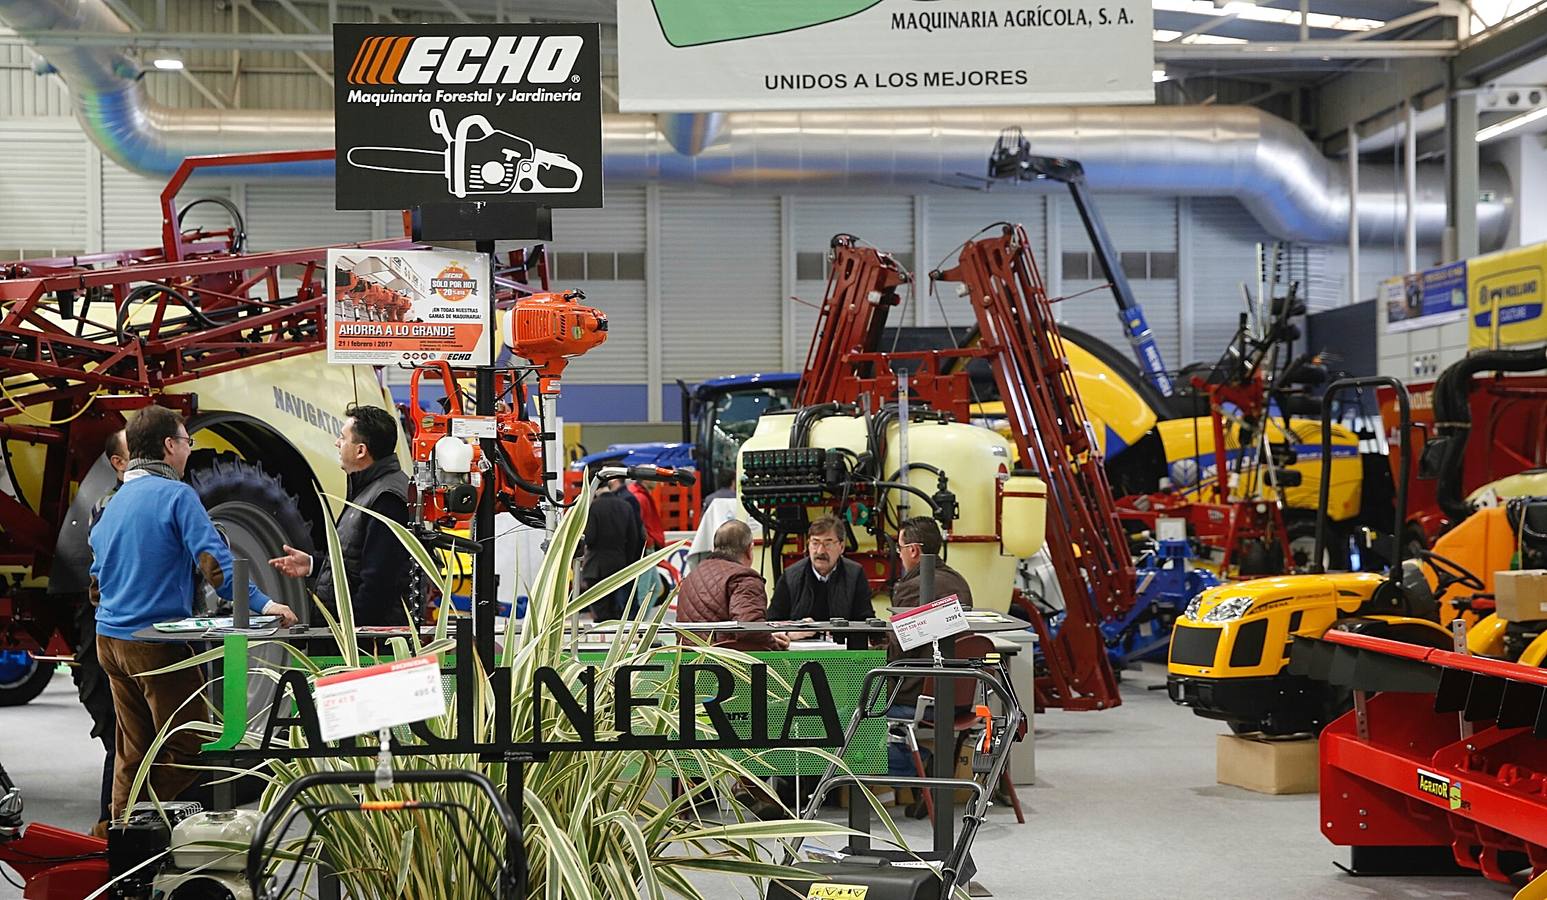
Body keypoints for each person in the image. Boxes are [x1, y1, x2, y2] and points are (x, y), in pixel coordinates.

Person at [90, 406, 297, 819]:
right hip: (154, 645)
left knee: (134, 750)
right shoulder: (177, 495)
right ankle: (141, 816)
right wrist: (265, 603)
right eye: (188, 442)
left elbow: (96, 579)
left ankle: (121, 843)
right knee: (192, 740)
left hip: (108, 641)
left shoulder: (115, 500)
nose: (189, 451)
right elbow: (215, 564)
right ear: (169, 446)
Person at [269, 404, 411, 625]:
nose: (337, 443)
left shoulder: (386, 499)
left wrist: (350, 638)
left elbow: (379, 581)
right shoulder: (369, 490)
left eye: (342, 438)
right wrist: (314, 565)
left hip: (361, 648)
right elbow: (358, 563)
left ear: (361, 450)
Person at [884, 516, 973, 784]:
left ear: (913, 550)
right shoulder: (959, 582)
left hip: (918, 699)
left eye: (899, 549)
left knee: (848, 714)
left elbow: (899, 649)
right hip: (959, 698)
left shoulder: (915, 586)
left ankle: (917, 762)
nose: (899, 556)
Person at [74, 428, 127, 833]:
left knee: (125, 740)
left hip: (115, 633)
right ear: (118, 463)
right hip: (110, 636)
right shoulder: (110, 508)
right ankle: (112, 825)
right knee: (119, 738)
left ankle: (115, 824)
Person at [675, 520, 788, 652]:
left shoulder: (692, 576)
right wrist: (775, 647)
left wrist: (769, 637)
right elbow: (750, 629)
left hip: (687, 663)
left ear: (714, 547)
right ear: (749, 549)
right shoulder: (744, 577)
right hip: (726, 664)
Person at [768, 516, 873, 628]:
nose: (820, 551)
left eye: (827, 544)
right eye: (815, 543)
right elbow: (772, 622)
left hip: (842, 643)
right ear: (808, 545)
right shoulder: (790, 576)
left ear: (841, 547)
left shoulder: (855, 575)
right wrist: (790, 632)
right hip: (801, 643)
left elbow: (865, 621)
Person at [579, 477, 644, 620]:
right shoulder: (625, 506)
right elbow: (634, 538)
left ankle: (603, 640)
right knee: (619, 612)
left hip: (596, 568)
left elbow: (589, 537)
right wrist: (627, 560)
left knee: (601, 613)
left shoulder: (592, 507)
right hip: (619, 566)